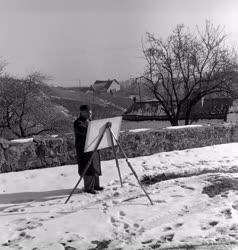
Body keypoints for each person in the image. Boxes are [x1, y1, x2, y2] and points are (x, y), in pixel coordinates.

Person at [74, 105, 103, 194]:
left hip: (93, 147)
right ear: (82, 112)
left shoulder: (90, 121)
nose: (90, 114)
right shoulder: (78, 123)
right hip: (84, 149)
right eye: (88, 112)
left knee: (95, 166)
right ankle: (88, 188)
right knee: (88, 167)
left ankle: (96, 185)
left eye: (90, 112)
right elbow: (85, 131)